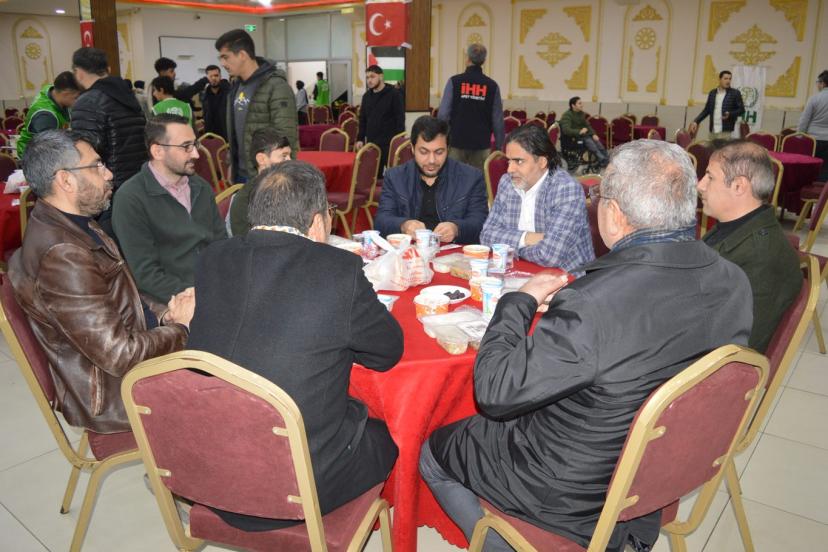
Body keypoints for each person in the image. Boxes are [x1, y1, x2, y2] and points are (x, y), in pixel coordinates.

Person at [420, 139, 754, 552]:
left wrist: (518, 301)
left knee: (435, 450)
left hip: (570, 496)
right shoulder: (734, 281)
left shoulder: (594, 303)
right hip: (655, 473)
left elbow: (495, 392)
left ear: (615, 213)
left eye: (598, 196)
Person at [187, 160, 402, 531]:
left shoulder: (212, 258)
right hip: (295, 487)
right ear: (317, 222)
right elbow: (387, 352)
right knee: (387, 436)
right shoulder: (339, 269)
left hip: (213, 475)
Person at [8, 130, 192, 434]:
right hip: (117, 393)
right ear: (65, 180)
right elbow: (119, 355)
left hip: (129, 357)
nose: (108, 174)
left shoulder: (73, 223)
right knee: (236, 375)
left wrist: (165, 314)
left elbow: (124, 294)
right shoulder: (62, 254)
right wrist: (180, 329)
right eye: (96, 166)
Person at [699, 140, 803, 353]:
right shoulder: (734, 227)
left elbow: (736, 347)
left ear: (739, 186)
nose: (700, 185)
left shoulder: (761, 255)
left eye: (710, 177)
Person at [112, 114, 227, 303]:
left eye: (195, 144)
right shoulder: (130, 199)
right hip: (176, 300)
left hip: (217, 287)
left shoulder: (201, 187)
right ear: (158, 151)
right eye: (186, 147)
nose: (196, 154)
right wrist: (198, 296)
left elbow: (221, 244)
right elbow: (146, 275)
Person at [480, 124, 594, 272]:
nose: (509, 169)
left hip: (565, 276)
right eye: (509, 161)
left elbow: (550, 256)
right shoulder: (507, 183)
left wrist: (513, 249)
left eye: (519, 161)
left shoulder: (565, 189)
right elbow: (486, 236)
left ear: (542, 162)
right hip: (516, 271)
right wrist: (527, 238)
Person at [375, 116, 488, 244]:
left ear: (448, 149)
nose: (431, 160)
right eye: (424, 152)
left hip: (455, 252)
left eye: (439, 152)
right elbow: (381, 221)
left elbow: (481, 222)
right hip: (409, 251)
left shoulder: (471, 178)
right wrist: (403, 225)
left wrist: (457, 228)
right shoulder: (395, 177)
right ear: (412, 148)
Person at [70, 46, 147, 233]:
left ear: (78, 72)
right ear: (108, 69)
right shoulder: (130, 96)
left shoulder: (88, 101)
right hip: (138, 181)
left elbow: (85, 155)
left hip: (109, 189)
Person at [215, 29, 298, 183]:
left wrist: (280, 178)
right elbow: (236, 133)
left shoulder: (275, 86)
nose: (222, 64)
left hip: (267, 175)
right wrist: (232, 163)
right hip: (240, 173)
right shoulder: (235, 87)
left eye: (226, 57)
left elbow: (287, 137)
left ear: (242, 55)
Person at [438, 43, 505, 171]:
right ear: (484, 61)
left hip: (456, 142)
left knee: (454, 178)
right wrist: (499, 146)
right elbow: (497, 120)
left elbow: (443, 115)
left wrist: (442, 138)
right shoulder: (492, 86)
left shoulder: (454, 82)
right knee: (478, 180)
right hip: (481, 145)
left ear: (467, 58)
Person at [229, 127, 292, 237]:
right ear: (262, 159)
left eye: (290, 155)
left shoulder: (293, 187)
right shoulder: (244, 201)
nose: (290, 161)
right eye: (284, 156)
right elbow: (246, 241)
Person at [16, 71, 80, 158]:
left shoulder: (52, 90)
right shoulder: (46, 117)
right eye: (76, 98)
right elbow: (49, 150)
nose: (78, 101)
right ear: (65, 94)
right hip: (33, 157)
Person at [355, 65, 405, 172]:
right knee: (374, 175)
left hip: (389, 144)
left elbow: (400, 118)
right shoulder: (366, 96)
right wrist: (360, 138)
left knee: (394, 174)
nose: (369, 80)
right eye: (367, 77)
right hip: (372, 143)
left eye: (372, 77)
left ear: (381, 77)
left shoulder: (394, 94)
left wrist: (399, 140)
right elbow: (363, 119)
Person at [689, 70, 745, 140]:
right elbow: (706, 110)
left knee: (723, 147)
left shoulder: (735, 93)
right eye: (725, 78)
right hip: (713, 130)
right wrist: (696, 121)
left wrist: (730, 114)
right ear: (719, 79)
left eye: (730, 79)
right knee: (710, 147)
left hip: (725, 131)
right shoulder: (712, 93)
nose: (728, 81)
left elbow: (741, 110)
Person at [559, 96, 609, 169]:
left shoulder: (581, 113)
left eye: (581, 103)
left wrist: (594, 134)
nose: (582, 105)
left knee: (598, 143)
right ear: (573, 105)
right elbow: (566, 130)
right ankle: (602, 160)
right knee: (591, 143)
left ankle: (607, 160)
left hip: (584, 135)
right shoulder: (567, 115)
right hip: (573, 137)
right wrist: (579, 131)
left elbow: (587, 125)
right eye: (579, 103)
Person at [798, 69, 828, 181]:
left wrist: (799, 136)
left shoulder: (814, 98)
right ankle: (822, 190)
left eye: (818, 82)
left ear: (823, 83)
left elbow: (804, 120)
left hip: (813, 139)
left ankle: (809, 188)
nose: (817, 85)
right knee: (826, 169)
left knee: (811, 166)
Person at [199, 64, 230, 140]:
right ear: (207, 78)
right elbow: (205, 114)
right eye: (211, 76)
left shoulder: (229, 92)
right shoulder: (205, 94)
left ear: (220, 76)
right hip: (210, 135)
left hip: (227, 134)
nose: (214, 78)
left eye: (216, 75)